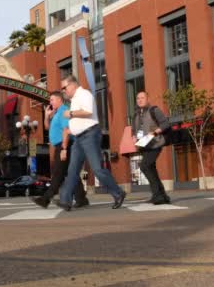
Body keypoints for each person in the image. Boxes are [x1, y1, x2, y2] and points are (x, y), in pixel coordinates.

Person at [57, 75, 126, 211]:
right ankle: (65, 201)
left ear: (73, 85)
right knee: (72, 171)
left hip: (90, 135)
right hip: (78, 138)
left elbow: (88, 112)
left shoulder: (84, 94)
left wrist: (70, 114)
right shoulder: (74, 100)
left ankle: (118, 193)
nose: (63, 91)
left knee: (97, 169)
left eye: (64, 87)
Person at [32, 91, 89, 208]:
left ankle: (46, 199)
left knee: (58, 173)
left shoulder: (63, 111)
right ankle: (81, 198)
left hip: (64, 145)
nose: (50, 102)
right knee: (70, 173)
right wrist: (47, 116)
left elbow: (66, 130)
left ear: (59, 100)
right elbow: (47, 127)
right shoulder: (57, 113)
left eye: (52, 99)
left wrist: (64, 148)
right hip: (62, 145)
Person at [132, 91, 172, 204]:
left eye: (142, 98)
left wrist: (154, 133)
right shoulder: (136, 114)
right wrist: (134, 137)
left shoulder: (154, 110)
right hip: (144, 146)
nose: (140, 100)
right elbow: (134, 130)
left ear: (147, 99)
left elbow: (165, 124)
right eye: (138, 98)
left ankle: (157, 195)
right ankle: (163, 196)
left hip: (155, 143)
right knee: (151, 169)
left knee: (145, 166)